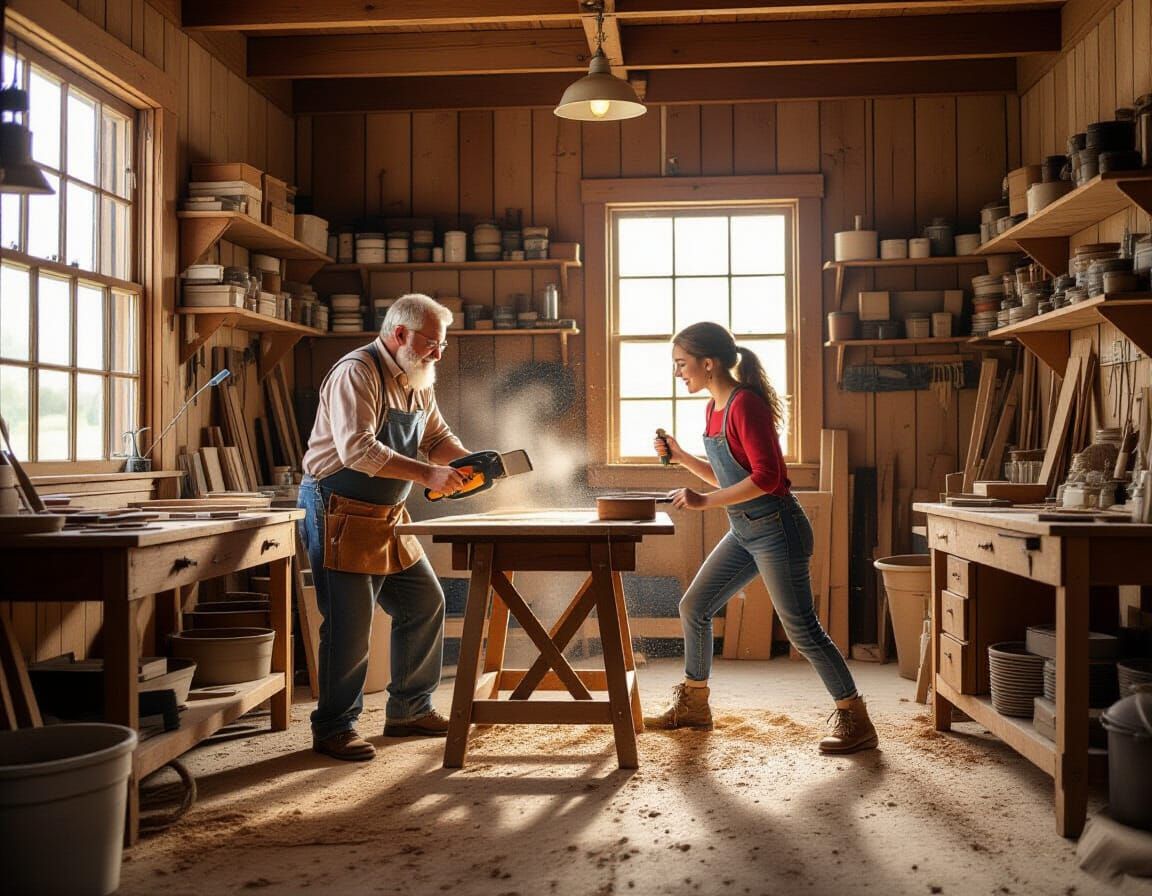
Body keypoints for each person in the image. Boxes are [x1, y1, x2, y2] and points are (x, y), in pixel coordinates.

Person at [643, 321, 877, 754]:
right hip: (744, 530)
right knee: (694, 606)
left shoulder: (744, 404)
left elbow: (769, 478)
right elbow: (731, 474)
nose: (678, 372)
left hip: (776, 529)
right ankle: (695, 706)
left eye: (682, 363)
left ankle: (855, 719)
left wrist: (705, 503)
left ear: (708, 363)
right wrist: (680, 458)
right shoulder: (714, 407)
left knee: (802, 630)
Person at [298, 294, 472, 761]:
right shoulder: (358, 372)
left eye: (443, 344)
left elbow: (435, 439)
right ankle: (334, 727)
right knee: (350, 626)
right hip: (339, 509)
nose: (439, 353)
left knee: (424, 602)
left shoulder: (417, 378)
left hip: (387, 514)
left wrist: (471, 464)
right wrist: (427, 475)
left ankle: (409, 709)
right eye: (431, 343)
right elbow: (357, 449)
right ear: (400, 334)